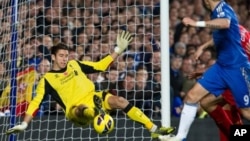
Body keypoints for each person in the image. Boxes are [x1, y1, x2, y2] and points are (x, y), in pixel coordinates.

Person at [6, 31, 175, 138]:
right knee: (81, 109)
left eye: (66, 55)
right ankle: (97, 114)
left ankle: (153, 130)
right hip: (75, 111)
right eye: (61, 56)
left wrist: (118, 50)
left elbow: (100, 66)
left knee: (120, 101)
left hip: (94, 97)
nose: (65, 58)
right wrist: (24, 123)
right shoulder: (47, 80)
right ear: (53, 57)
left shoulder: (75, 64)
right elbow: (35, 102)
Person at [164, 0, 250, 141]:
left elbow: (225, 23)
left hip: (237, 70)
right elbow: (222, 34)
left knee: (245, 112)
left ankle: (234, 135)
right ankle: (180, 137)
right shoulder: (218, 14)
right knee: (194, 97)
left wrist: (196, 23)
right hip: (221, 67)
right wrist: (203, 47)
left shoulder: (223, 9)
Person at [192, 25, 250, 141]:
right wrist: (202, 47)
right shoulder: (236, 29)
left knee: (245, 112)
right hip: (234, 79)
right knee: (208, 102)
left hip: (241, 80)